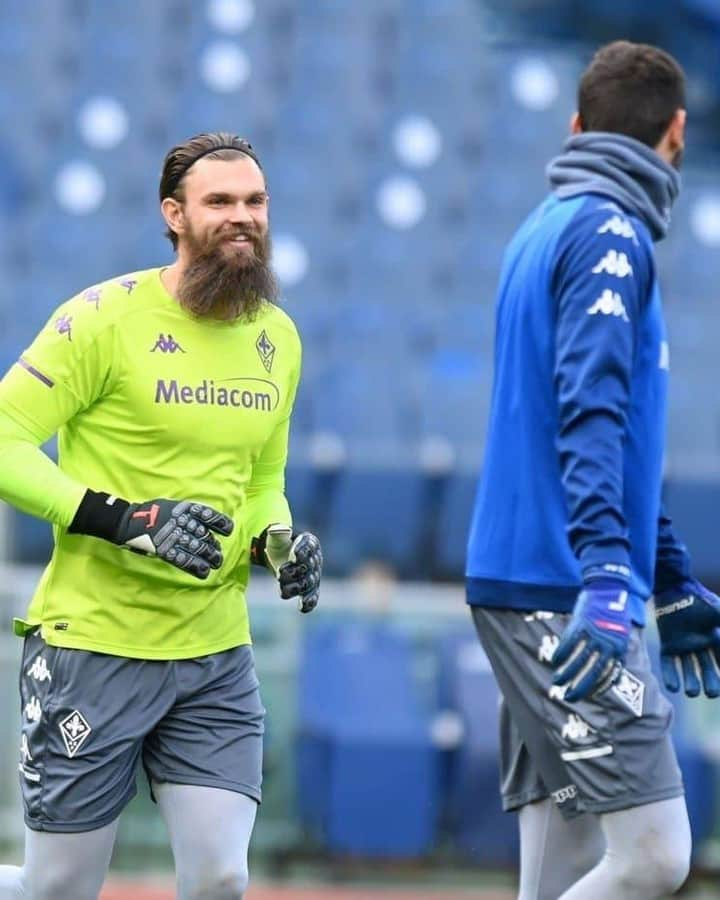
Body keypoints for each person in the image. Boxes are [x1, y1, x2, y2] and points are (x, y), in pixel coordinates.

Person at [0, 132, 322, 900]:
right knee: (57, 889)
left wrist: (277, 541)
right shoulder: (102, 319)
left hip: (214, 658)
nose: (242, 217)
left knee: (219, 878)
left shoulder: (278, 337)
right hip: (95, 648)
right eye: (220, 203)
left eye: (255, 202)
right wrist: (127, 520)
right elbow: (6, 440)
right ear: (174, 214)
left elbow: (262, 480)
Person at [466, 41, 720, 899]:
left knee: (563, 869)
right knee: (654, 855)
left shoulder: (544, 227)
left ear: (576, 127)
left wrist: (671, 578)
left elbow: (600, 433)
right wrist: (613, 574)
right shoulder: (611, 232)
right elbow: (592, 414)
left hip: (533, 582)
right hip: (562, 590)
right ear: (677, 132)